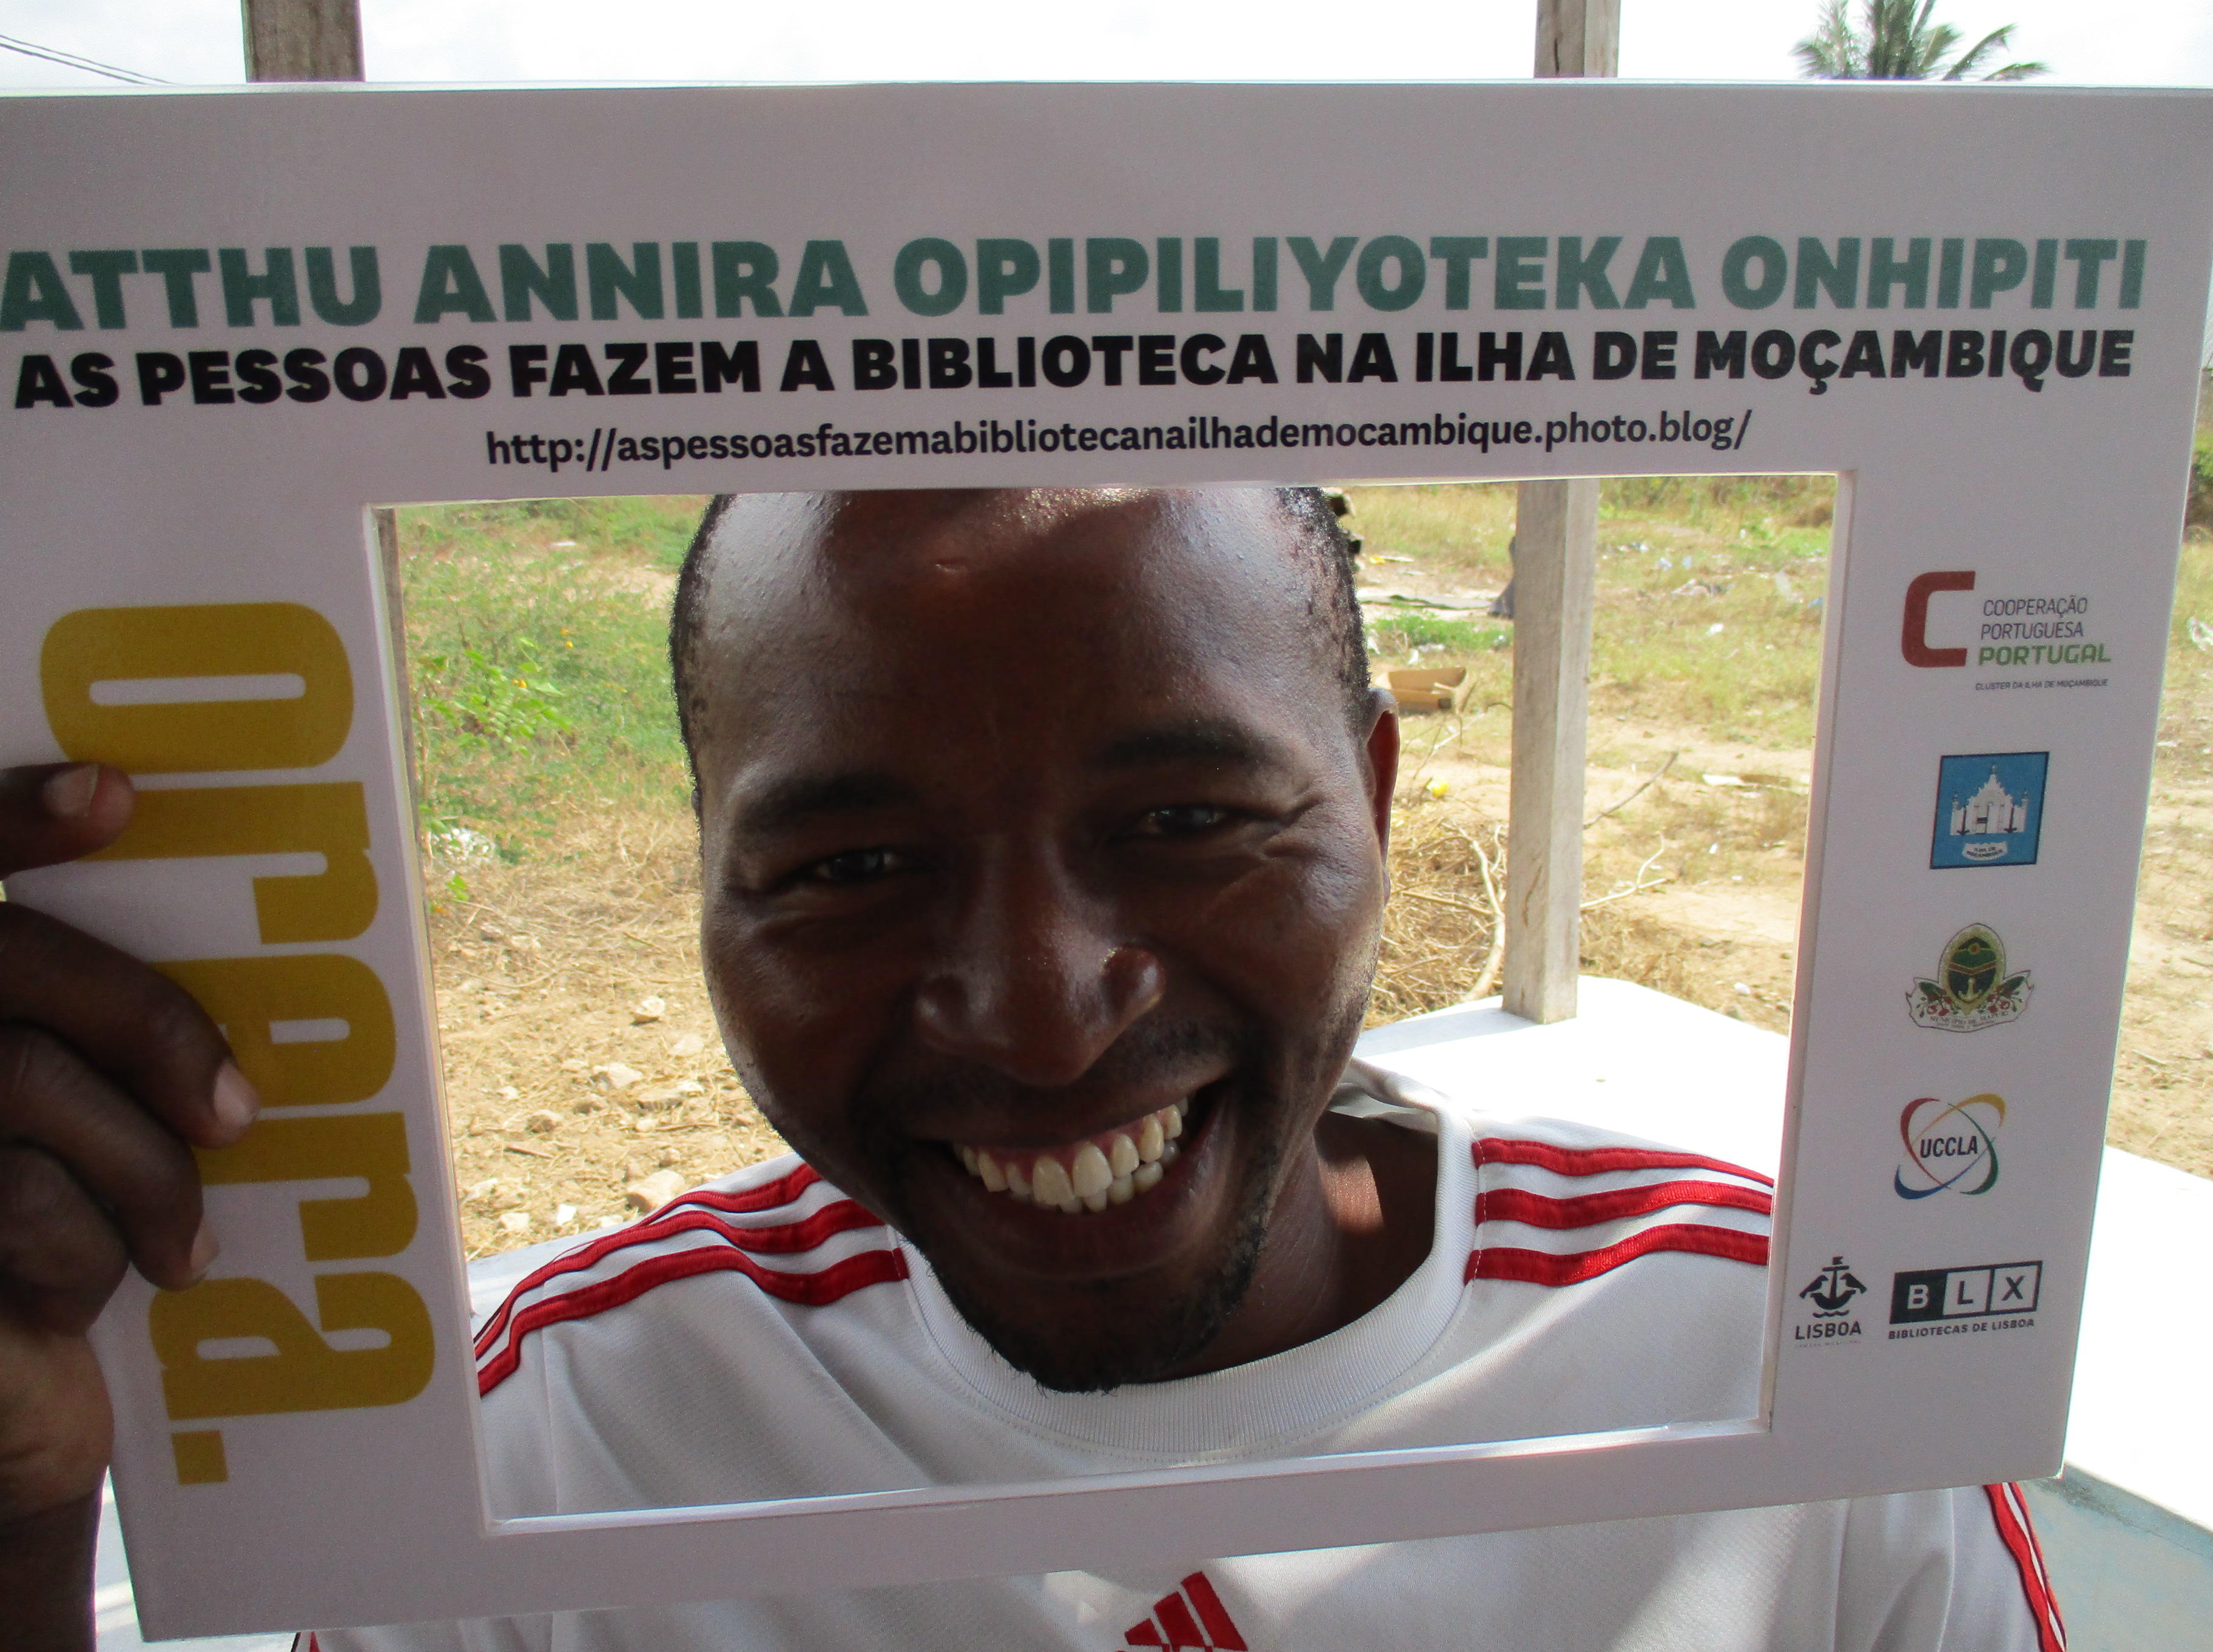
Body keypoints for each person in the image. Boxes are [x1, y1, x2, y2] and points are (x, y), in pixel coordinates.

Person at [0, 487, 2061, 1652]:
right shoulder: (563, 1454)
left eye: (1185, 821)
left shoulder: (1778, 1379)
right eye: (853, 867)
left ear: (1371, 803)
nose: (1043, 1013)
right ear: (705, 889)